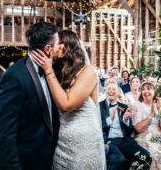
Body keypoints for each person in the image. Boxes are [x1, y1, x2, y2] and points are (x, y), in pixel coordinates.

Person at [31, 29, 105, 170]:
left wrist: (48, 71)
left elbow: (66, 104)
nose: (54, 46)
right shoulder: (58, 73)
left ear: (68, 45)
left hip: (84, 144)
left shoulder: (88, 71)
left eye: (58, 43)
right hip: (62, 143)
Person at [0, 22, 60, 170]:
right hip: (25, 162)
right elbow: (5, 134)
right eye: (57, 45)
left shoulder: (51, 72)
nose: (59, 49)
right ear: (48, 49)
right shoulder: (15, 76)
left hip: (44, 160)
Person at [100, 81, 151, 170]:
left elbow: (131, 131)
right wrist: (109, 119)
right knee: (119, 159)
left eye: (114, 89)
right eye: (109, 88)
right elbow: (97, 128)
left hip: (124, 139)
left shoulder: (124, 106)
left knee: (146, 156)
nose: (111, 91)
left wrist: (126, 121)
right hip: (109, 140)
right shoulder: (99, 106)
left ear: (118, 92)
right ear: (105, 91)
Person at [132, 82, 161, 170]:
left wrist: (160, 110)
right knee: (157, 155)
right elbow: (138, 129)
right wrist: (151, 114)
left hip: (160, 135)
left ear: (154, 92)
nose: (145, 91)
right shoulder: (137, 105)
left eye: (148, 89)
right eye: (143, 89)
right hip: (144, 135)